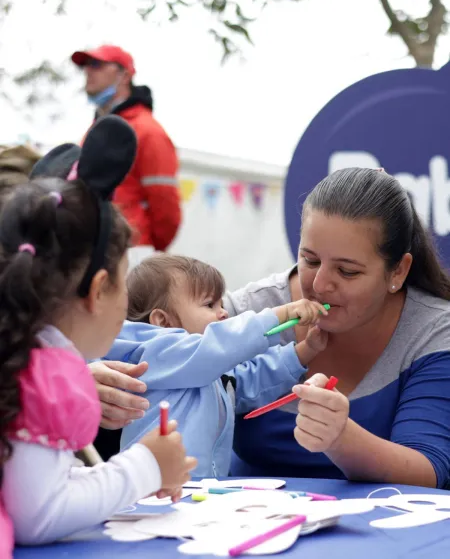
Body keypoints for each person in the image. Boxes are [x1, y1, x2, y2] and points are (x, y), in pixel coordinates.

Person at [92, 167, 450, 489]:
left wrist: (340, 437)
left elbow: (430, 470)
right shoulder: (243, 313)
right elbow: (150, 351)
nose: (321, 284)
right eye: (309, 260)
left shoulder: (433, 331)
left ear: (399, 271)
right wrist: (90, 382)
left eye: (347, 271)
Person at [0, 116, 196, 558]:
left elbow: (32, 487)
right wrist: (147, 465)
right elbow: (39, 515)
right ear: (96, 290)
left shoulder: (21, 355)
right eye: (125, 283)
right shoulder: (47, 370)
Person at [103, 254, 328, 477]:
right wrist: (280, 315)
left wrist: (305, 350)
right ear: (163, 321)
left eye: (221, 303)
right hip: (152, 492)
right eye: (209, 304)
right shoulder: (157, 353)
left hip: (200, 493)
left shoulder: (209, 367)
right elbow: (219, 345)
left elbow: (249, 379)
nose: (224, 312)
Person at [71, 44, 181, 266]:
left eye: (97, 64)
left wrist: (146, 248)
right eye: (85, 66)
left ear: (124, 75)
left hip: (132, 254)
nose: (88, 71)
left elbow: (166, 208)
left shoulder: (148, 131)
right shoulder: (94, 131)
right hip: (98, 249)